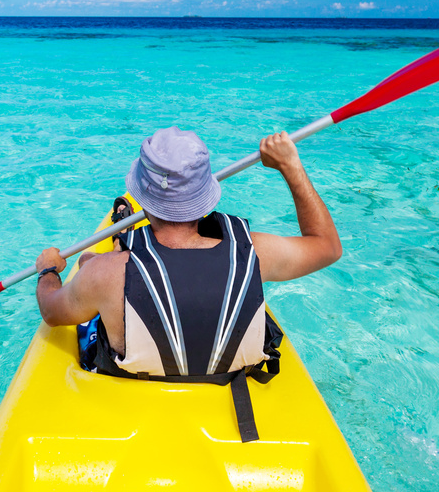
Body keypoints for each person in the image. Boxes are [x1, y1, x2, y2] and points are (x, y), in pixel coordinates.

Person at [34, 126, 341, 382]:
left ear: (143, 199)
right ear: (205, 195)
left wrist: (48, 272)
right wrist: (291, 166)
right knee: (104, 267)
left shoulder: (103, 274)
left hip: (132, 391)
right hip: (232, 397)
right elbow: (327, 247)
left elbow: (51, 312)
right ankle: (125, 243)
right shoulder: (257, 253)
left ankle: (124, 242)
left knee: (94, 266)